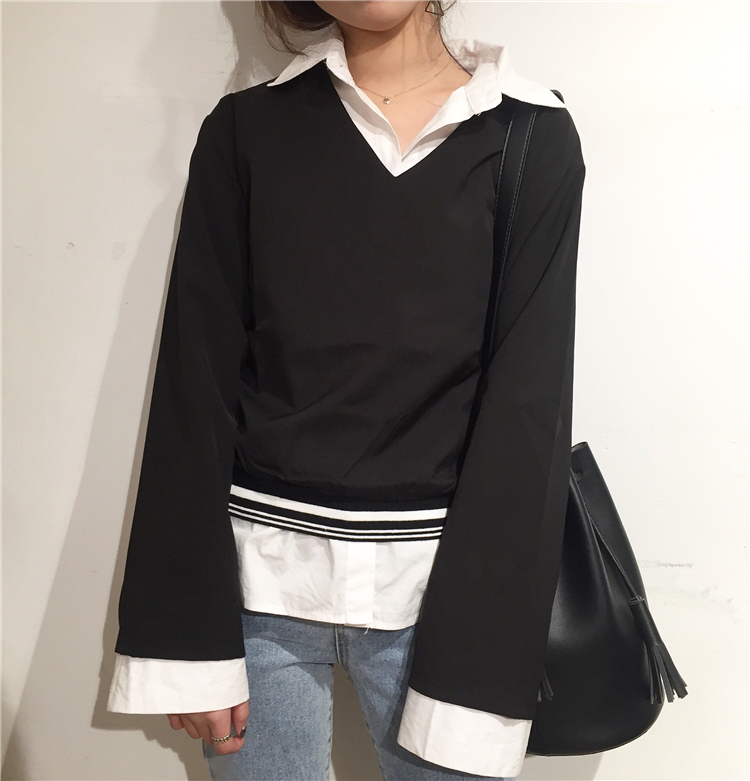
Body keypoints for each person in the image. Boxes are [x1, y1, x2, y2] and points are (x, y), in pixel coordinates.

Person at [106, 2, 586, 780]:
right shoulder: (247, 131)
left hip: (441, 600)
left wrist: (485, 663)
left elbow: (528, 404)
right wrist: (185, 637)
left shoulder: (529, 133)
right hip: (257, 590)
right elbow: (194, 383)